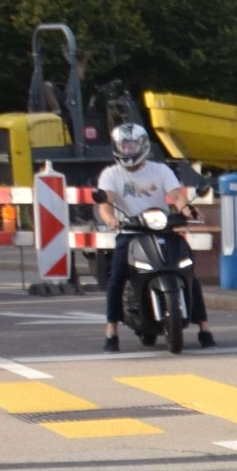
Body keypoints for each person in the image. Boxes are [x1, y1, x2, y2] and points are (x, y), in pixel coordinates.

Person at [97, 122, 210, 353]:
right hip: (130, 232)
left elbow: (177, 195)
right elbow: (105, 203)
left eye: (131, 145)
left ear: (143, 146)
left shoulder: (160, 170)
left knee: (188, 271)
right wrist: (110, 219)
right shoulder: (111, 174)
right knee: (117, 276)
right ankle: (111, 332)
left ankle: (204, 328)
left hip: (162, 229)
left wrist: (186, 210)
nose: (127, 150)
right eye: (123, 146)